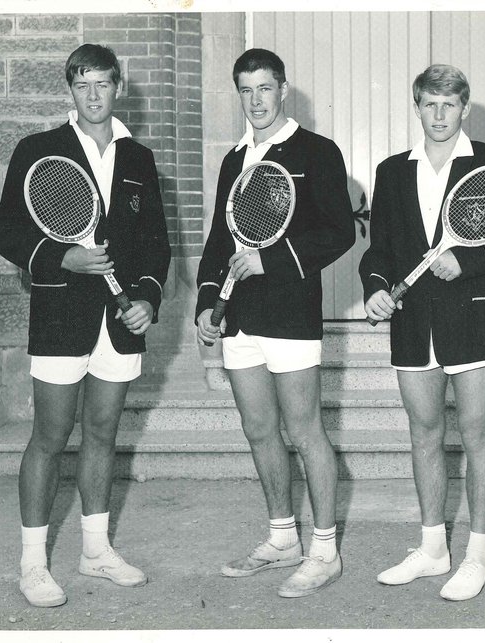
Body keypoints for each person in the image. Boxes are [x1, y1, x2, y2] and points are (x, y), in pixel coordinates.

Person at [0, 44, 170, 608]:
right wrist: (59, 256)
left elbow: (156, 247)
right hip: (60, 318)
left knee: (102, 435)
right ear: (70, 89)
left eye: (104, 84)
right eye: (83, 85)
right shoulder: (39, 150)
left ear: (119, 87)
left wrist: (147, 299)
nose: (94, 96)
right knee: (49, 437)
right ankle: (32, 563)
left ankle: (95, 552)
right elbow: (6, 230)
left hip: (119, 325)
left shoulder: (139, 158)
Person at [359, 64, 485, 601]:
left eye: (449, 105)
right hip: (414, 323)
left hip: (474, 316)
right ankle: (433, 547)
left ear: (464, 108)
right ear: (417, 107)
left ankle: (477, 554)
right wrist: (374, 286)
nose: (439, 115)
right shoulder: (392, 171)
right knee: (424, 433)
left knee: (478, 434)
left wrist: (473, 260)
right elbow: (381, 249)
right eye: (430, 104)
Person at [195, 48, 355, 598]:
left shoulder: (317, 151)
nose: (255, 100)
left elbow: (339, 233)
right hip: (240, 318)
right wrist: (206, 299)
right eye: (246, 90)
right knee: (259, 430)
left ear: (283, 89)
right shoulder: (232, 159)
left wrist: (272, 258)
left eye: (265, 88)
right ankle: (283, 537)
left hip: (291, 315)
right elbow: (220, 238)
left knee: (305, 430)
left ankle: (325, 550)